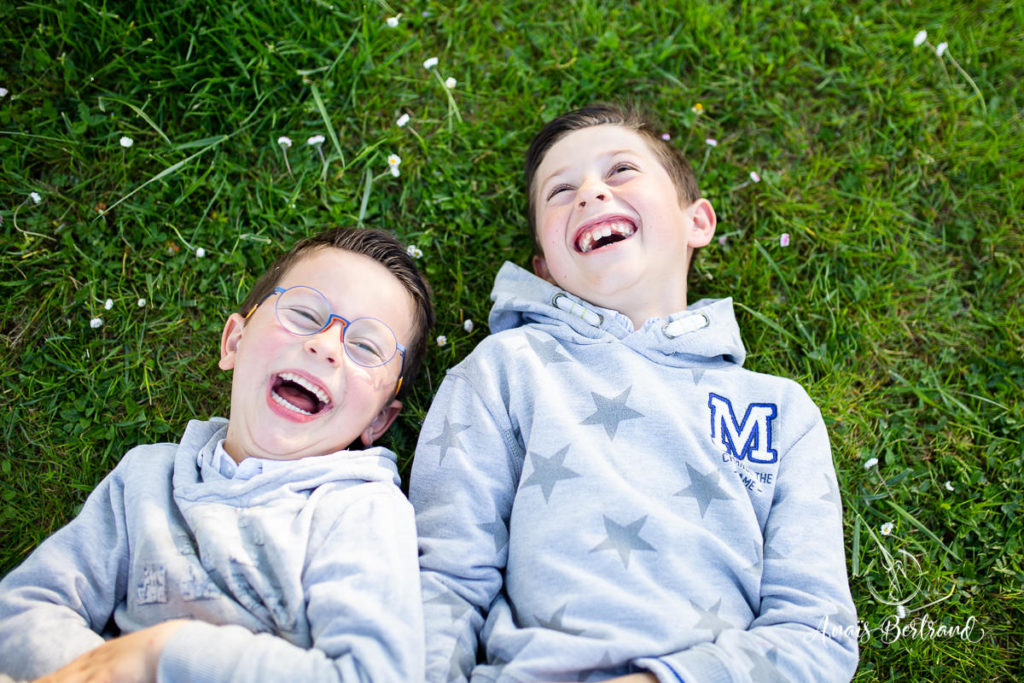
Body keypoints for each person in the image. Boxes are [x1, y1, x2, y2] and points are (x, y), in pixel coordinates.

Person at [410, 104, 859, 682]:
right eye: (560, 190)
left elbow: (818, 633)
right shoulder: (506, 370)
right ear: (544, 268)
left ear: (697, 221)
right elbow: (444, 581)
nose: (591, 194)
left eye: (620, 171)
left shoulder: (780, 413)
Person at [0, 227, 434, 682]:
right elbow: (22, 610)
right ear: (234, 341)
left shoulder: (360, 510)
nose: (324, 345)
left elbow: (372, 674)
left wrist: (163, 655)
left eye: (366, 346)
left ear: (378, 421)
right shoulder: (149, 478)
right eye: (305, 313)